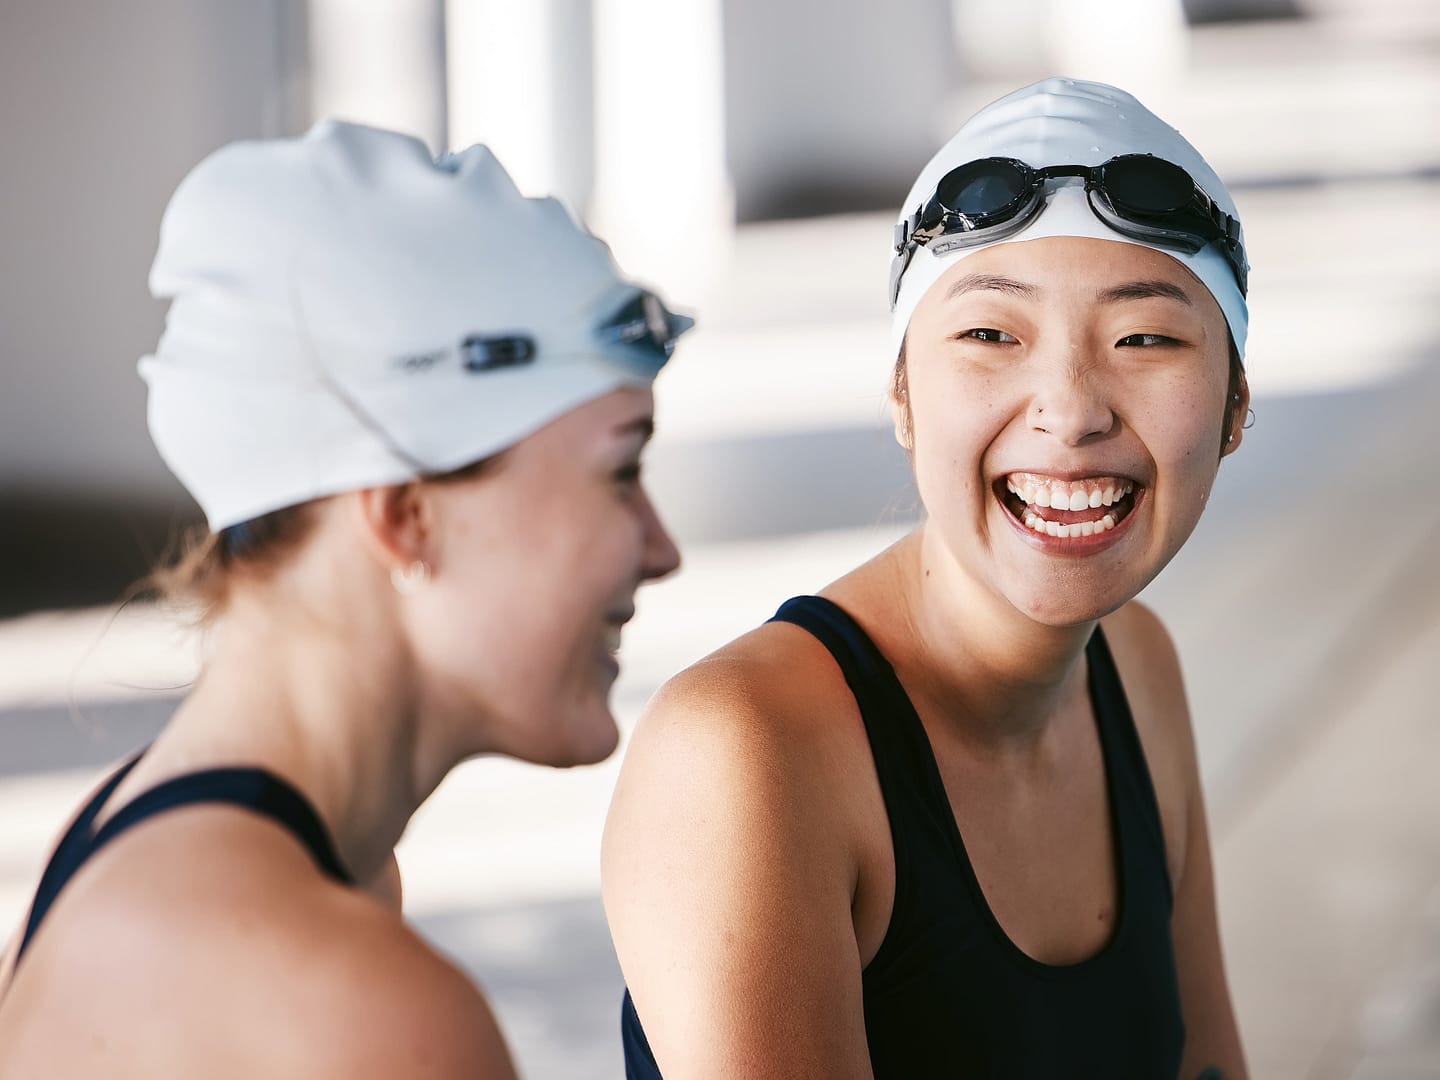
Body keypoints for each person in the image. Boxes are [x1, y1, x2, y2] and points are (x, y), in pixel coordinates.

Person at [0, 120, 688, 1077]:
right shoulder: (349, 1004)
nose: (663, 548)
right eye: (622, 472)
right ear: (406, 515)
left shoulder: (147, 844)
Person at [604, 78, 1251, 1078]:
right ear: (902, 395)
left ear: (1236, 406)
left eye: (1145, 339)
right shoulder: (745, 755)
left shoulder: (1135, 665)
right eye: (992, 336)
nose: (1070, 410)